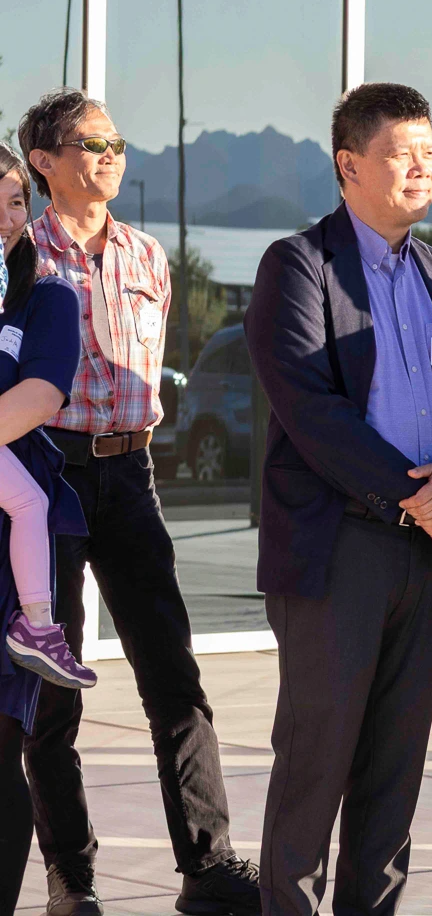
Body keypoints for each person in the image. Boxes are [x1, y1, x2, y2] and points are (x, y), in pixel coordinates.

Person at [245, 82, 432, 915]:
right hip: (340, 547)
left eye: (430, 154)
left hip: (428, 555)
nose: (422, 169)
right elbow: (310, 410)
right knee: (316, 761)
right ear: (350, 165)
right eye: (402, 154)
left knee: (395, 768)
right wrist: (418, 497)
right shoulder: (299, 266)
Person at [17, 88, 263, 916]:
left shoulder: (147, 256)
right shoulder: (20, 257)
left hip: (131, 477)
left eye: (118, 143)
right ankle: (72, 878)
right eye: (93, 143)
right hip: (47, 475)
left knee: (173, 676)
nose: (112, 156)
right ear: (45, 162)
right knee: (54, 691)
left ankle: (209, 867)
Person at [0, 145, 89, 916]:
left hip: (8, 559)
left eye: (15, 200)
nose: (6, 217)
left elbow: (40, 397)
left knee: (3, 755)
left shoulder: (48, 296)